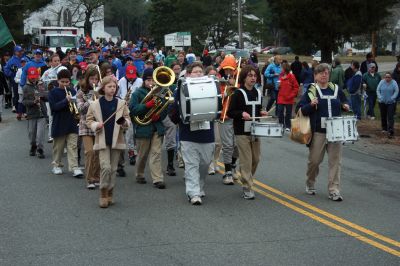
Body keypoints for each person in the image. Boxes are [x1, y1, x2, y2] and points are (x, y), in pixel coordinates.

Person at [297, 63, 350, 201]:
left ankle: (334, 190)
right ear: (315, 75)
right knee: (314, 161)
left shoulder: (336, 88)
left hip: (335, 131)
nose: (324, 74)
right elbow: (300, 109)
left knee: (335, 161)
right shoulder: (311, 90)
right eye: (321, 72)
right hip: (319, 131)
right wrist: (311, 105)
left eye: (326, 72)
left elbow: (344, 101)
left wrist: (345, 106)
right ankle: (310, 182)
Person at [169, 62, 215, 205]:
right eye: (195, 72)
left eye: (200, 71)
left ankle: (199, 186)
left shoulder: (211, 87)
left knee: (205, 164)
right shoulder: (181, 89)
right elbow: (174, 114)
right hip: (188, 134)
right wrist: (178, 112)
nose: (198, 74)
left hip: (207, 134)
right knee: (191, 165)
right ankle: (193, 193)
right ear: (188, 74)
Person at [86, 76, 131, 208]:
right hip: (102, 140)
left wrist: (124, 122)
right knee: (105, 167)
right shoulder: (95, 104)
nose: (112, 89)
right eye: (109, 87)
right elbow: (88, 120)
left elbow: (128, 118)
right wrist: (95, 125)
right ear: (103, 88)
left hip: (116, 139)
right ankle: (103, 192)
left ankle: (110, 191)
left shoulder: (121, 103)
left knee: (113, 169)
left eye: (114, 87)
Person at [227, 65, 268, 200]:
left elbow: (258, 109)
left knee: (256, 159)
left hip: (255, 130)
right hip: (241, 131)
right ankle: (247, 186)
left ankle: (247, 177)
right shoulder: (238, 93)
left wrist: (261, 112)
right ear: (244, 77)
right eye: (250, 75)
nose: (253, 78)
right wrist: (241, 113)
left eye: (255, 76)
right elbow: (231, 112)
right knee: (246, 160)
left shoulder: (257, 93)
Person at [130, 68, 167, 189]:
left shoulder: (160, 92)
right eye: (148, 80)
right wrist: (147, 105)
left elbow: (165, 109)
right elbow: (133, 110)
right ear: (144, 80)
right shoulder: (137, 93)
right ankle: (139, 174)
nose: (151, 82)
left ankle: (157, 179)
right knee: (142, 154)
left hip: (157, 127)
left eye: (153, 80)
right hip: (143, 127)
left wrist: (159, 115)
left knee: (156, 154)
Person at [48, 69, 84, 178]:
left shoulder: (73, 91)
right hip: (59, 123)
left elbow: (76, 106)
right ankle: (56, 165)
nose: (64, 84)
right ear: (58, 81)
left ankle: (74, 167)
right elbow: (54, 107)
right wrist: (65, 100)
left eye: (67, 82)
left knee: (72, 146)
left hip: (71, 122)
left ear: (70, 81)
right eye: (62, 81)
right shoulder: (53, 92)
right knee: (58, 147)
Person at [217, 55, 240, 184]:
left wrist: (235, 86)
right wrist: (226, 92)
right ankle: (227, 172)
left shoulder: (239, 80)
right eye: (226, 69)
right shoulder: (219, 81)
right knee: (228, 145)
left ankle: (232, 165)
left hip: (237, 116)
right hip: (225, 117)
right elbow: (216, 100)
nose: (228, 72)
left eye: (231, 69)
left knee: (237, 145)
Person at [77, 66, 101, 189]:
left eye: (96, 79)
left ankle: (97, 177)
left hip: (98, 125)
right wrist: (90, 100)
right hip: (85, 125)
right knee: (89, 152)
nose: (94, 81)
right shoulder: (81, 92)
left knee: (97, 152)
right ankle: (90, 179)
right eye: (91, 79)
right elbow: (80, 109)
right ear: (87, 79)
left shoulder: (100, 91)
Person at [117, 65, 143, 166]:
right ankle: (131, 152)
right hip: (125, 108)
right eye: (129, 76)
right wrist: (123, 101)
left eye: (132, 75)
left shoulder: (140, 81)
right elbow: (117, 94)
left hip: (138, 108)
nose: (131, 78)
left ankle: (137, 150)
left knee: (137, 131)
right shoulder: (122, 81)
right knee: (129, 131)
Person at [22, 67, 48, 158]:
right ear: (28, 76)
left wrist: (43, 94)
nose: (33, 78)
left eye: (35, 77)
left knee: (40, 135)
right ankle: (33, 146)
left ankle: (40, 149)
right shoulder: (26, 87)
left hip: (42, 113)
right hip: (31, 114)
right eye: (31, 77)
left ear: (38, 76)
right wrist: (33, 102)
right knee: (32, 134)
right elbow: (24, 102)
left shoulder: (42, 85)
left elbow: (47, 98)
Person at [277, 62, 299, 131]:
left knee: (288, 113)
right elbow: (279, 87)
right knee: (280, 111)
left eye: (281, 68)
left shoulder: (291, 76)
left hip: (289, 98)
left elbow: (296, 87)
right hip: (281, 97)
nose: (280, 69)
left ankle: (288, 126)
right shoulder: (281, 76)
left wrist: (291, 95)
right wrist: (278, 86)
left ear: (284, 68)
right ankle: (281, 124)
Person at [377, 72, 399, 139]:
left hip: (391, 103)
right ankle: (384, 128)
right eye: (386, 77)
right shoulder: (381, 82)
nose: (387, 78)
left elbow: (396, 91)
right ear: (384, 77)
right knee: (383, 115)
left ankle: (390, 129)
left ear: (391, 78)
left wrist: (392, 98)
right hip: (382, 102)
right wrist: (380, 97)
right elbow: (378, 90)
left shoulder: (394, 82)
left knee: (390, 116)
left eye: (389, 77)